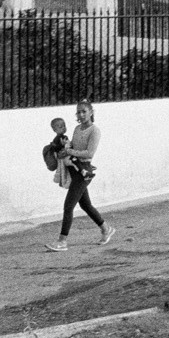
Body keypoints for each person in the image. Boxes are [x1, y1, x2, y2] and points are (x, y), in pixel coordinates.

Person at [45, 99, 114, 251]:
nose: (81, 114)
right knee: (85, 204)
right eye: (78, 112)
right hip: (74, 169)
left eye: (84, 111)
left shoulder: (95, 131)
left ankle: (62, 241)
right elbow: (75, 147)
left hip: (83, 172)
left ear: (91, 112)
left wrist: (69, 151)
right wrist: (64, 147)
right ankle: (106, 228)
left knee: (68, 205)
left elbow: (89, 153)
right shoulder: (76, 129)